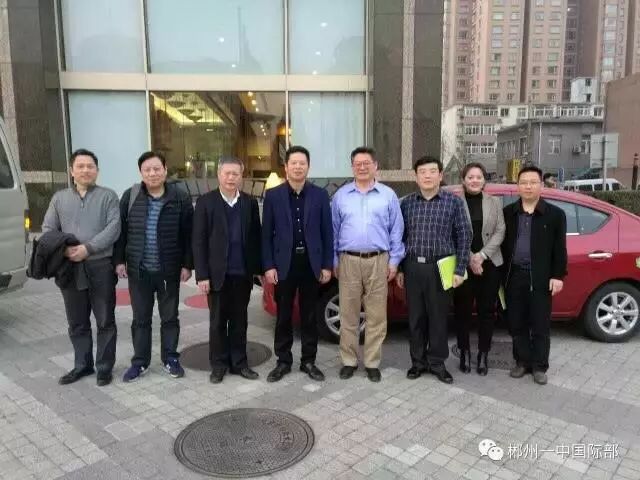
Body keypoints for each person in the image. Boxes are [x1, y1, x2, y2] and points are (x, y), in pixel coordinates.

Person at [42, 149, 120, 386]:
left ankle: (104, 367)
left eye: (90, 166)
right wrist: (65, 250)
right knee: (77, 321)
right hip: (70, 268)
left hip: (100, 266)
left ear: (97, 170)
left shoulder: (108, 197)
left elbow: (114, 228)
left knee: (105, 319)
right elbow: (48, 229)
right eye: (80, 166)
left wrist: (89, 248)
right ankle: (82, 365)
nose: (86, 170)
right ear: (71, 171)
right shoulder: (59, 199)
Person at [114, 151, 193, 383]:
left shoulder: (180, 197)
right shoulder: (130, 196)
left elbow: (189, 235)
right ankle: (140, 362)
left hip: (169, 270)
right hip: (139, 271)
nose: (152, 173)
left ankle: (170, 358)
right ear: (141, 173)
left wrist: (188, 265)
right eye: (147, 169)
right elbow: (120, 232)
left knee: (170, 318)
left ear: (165, 170)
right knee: (141, 319)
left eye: (157, 169)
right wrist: (119, 261)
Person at [332, 146, 404, 383]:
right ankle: (349, 361)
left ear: (375, 166)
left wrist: (394, 261)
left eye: (367, 163)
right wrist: (334, 260)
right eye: (357, 164)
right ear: (352, 167)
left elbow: (396, 230)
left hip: (378, 260)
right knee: (348, 315)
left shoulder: (388, 195)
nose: (362, 167)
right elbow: (333, 230)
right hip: (348, 260)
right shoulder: (341, 196)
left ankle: (372, 362)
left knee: (376, 316)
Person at [397, 156, 471, 384]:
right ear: (416, 176)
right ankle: (418, 362)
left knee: (438, 319)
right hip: (413, 267)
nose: (427, 176)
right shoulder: (407, 204)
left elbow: (464, 236)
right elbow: (400, 238)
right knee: (415, 318)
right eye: (422, 172)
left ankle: (437, 363)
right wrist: (400, 268)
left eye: (432, 171)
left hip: (441, 268)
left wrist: (459, 269)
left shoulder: (454, 202)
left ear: (440, 175)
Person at [262, 146, 333, 383]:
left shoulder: (320, 195)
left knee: (309, 315)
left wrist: (327, 265)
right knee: (283, 315)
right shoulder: (273, 196)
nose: (298, 167)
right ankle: (283, 361)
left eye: (302, 163)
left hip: (311, 264)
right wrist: (269, 266)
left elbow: (327, 232)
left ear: (308, 167)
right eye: (294, 163)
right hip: (284, 264)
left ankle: (308, 361)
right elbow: (266, 234)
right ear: (286, 167)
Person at [192, 158, 262, 384]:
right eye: (227, 173)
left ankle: (239, 363)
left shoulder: (249, 203)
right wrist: (202, 275)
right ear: (219, 175)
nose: (231, 178)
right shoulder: (206, 202)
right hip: (216, 276)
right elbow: (198, 241)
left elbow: (256, 238)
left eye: (235, 174)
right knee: (218, 323)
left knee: (240, 322)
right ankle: (219, 365)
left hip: (242, 274)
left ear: (241, 176)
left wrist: (258, 270)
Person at [502, 166, 567, 385]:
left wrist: (558, 276)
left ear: (541, 185)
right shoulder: (509, 213)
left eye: (533, 182)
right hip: (514, 277)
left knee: (540, 324)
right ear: (517, 186)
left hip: (540, 278)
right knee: (516, 322)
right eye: (523, 182)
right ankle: (522, 361)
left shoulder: (555, 215)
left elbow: (560, 249)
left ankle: (539, 366)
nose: (528, 186)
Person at [453, 163, 505, 375]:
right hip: (462, 265)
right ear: (463, 180)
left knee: (487, 312)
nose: (474, 180)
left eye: (479, 177)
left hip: (490, 264)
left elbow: (500, 231)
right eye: (470, 177)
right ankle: (464, 352)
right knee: (462, 312)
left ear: (484, 180)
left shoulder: (495, 202)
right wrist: (470, 258)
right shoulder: (455, 202)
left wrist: (481, 256)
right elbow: (451, 233)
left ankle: (483, 354)